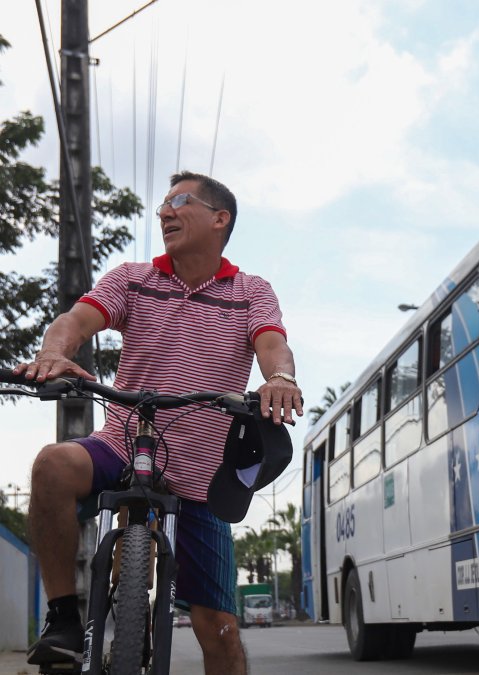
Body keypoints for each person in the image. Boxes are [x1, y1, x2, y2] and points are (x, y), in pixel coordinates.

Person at [15, 171, 303, 675]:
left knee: (221, 631)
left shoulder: (252, 291)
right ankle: (62, 618)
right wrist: (53, 354)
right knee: (53, 464)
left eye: (179, 202)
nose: (164, 212)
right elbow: (75, 322)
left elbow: (273, 346)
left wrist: (278, 377)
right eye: (162, 206)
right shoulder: (133, 279)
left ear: (220, 219)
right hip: (124, 443)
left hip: (200, 473)